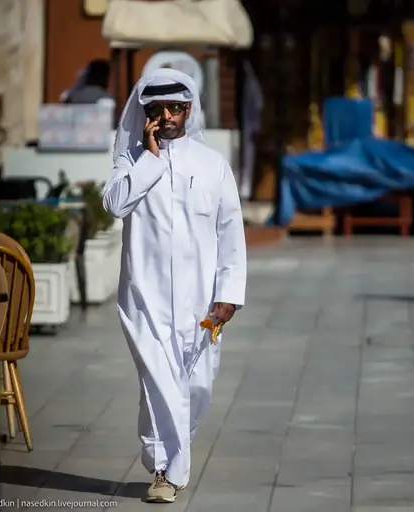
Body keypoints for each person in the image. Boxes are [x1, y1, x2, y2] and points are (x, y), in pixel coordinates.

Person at [102, 68, 247, 503]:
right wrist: (149, 159)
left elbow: (230, 233)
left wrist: (228, 295)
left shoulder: (212, 165)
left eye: (175, 108)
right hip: (144, 298)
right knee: (161, 383)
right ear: (145, 112)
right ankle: (167, 471)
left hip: (201, 301)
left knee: (196, 388)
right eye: (157, 108)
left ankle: (168, 454)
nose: (166, 116)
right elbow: (115, 204)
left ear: (188, 110)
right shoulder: (130, 162)